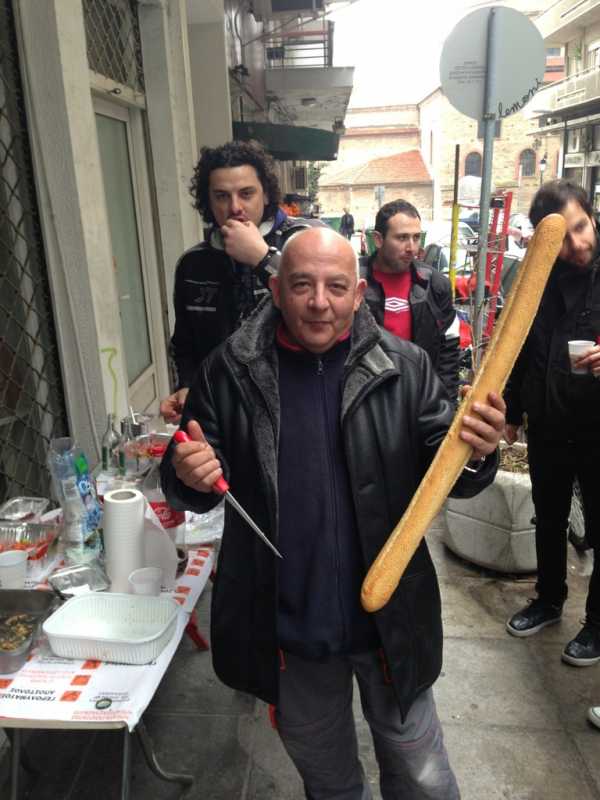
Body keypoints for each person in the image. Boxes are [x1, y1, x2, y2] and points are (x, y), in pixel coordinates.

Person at [161, 227, 506, 799]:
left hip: (389, 621)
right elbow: (189, 474)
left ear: (359, 293)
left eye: (336, 287)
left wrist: (479, 451)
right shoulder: (230, 371)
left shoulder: (406, 367)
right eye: (302, 285)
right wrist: (188, 472)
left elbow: (451, 473)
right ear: (276, 290)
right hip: (290, 628)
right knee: (330, 783)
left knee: (423, 777)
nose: (319, 302)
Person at [504, 180, 600, 666]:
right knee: (549, 517)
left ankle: (597, 625)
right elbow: (518, 344)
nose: (577, 245)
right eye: (562, 238)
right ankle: (548, 599)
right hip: (549, 421)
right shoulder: (537, 277)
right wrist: (510, 411)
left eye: (581, 227)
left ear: (592, 214)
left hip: (597, 427)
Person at [159, 140, 320, 423]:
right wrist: (187, 385)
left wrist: (261, 257)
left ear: (266, 194)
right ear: (208, 202)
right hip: (221, 413)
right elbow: (184, 343)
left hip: (295, 406)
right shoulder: (193, 264)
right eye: (221, 196)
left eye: (246, 194)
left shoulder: (302, 240)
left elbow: (319, 307)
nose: (235, 207)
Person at [360, 199, 460, 403]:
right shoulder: (353, 281)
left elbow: (448, 349)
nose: (411, 247)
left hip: (419, 399)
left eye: (416, 237)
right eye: (402, 238)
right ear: (378, 239)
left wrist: (445, 403)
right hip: (368, 397)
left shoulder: (434, 285)